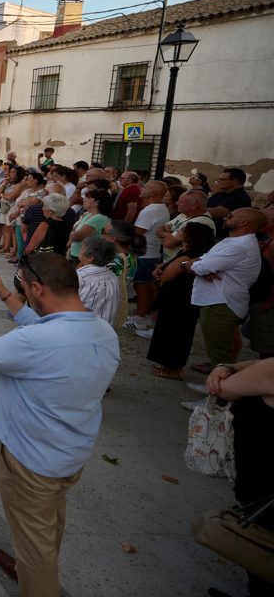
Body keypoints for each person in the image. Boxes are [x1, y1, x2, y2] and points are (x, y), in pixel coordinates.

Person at [0, 254, 118, 597]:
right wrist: (4, 294)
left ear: (38, 288)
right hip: (69, 452)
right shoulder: (102, 330)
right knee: (48, 524)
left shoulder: (36, 342)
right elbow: (44, 327)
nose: (25, 295)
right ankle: (32, 562)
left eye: (25, 290)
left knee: (37, 543)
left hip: (31, 460)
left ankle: (35, 572)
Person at [205, 358, 274, 597]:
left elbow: (224, 388)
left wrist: (226, 371)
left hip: (264, 483)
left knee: (261, 546)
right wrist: (230, 367)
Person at [189, 208, 267, 368]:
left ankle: (218, 390)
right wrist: (195, 264)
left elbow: (203, 267)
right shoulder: (234, 241)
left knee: (219, 352)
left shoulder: (240, 246)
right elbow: (203, 261)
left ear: (243, 222)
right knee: (217, 348)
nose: (225, 217)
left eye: (230, 216)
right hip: (217, 301)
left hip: (221, 303)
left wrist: (190, 264)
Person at [146, 223, 217, 380]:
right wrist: (161, 267)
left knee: (174, 333)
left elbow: (166, 276)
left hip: (179, 299)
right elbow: (168, 266)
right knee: (174, 332)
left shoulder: (188, 255)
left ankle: (174, 369)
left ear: (191, 236)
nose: (179, 231)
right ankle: (169, 366)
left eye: (183, 230)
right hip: (182, 298)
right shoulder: (188, 252)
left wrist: (160, 273)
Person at [124, 180, 170, 334]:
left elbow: (137, 232)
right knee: (148, 286)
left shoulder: (149, 211)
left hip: (144, 254)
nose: (141, 189)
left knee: (141, 286)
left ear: (152, 193)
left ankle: (140, 319)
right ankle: (147, 314)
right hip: (152, 253)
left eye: (146, 188)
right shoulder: (161, 208)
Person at [76, 235, 121, 326]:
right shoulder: (113, 277)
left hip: (84, 328)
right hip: (105, 328)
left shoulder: (81, 277)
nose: (79, 251)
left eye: (81, 249)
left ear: (90, 257)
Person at [207, 167, 253, 237]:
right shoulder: (220, 194)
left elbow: (212, 213)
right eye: (218, 179)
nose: (218, 181)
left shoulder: (241, 198)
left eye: (222, 179)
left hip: (219, 236)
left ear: (235, 181)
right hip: (207, 229)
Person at [67, 189, 111, 260]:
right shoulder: (89, 214)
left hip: (85, 257)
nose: (84, 200)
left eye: (88, 198)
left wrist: (72, 234)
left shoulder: (99, 218)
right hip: (77, 254)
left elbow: (76, 236)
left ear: (97, 202)